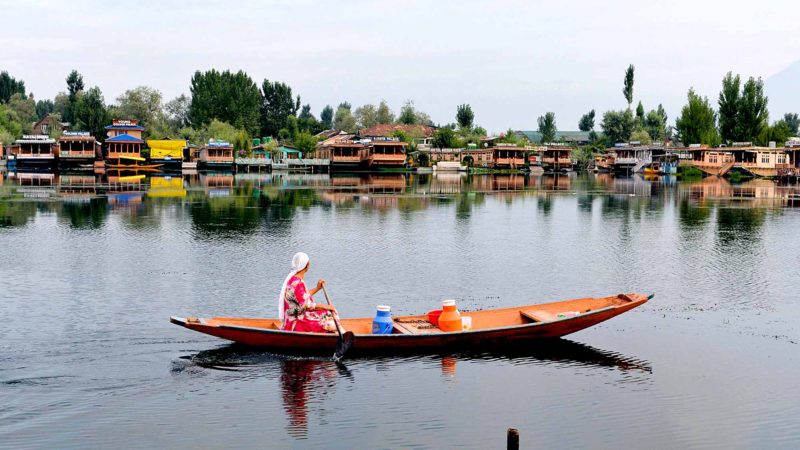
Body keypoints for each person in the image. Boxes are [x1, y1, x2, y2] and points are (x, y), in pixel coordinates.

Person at [278, 252, 338, 333]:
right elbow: (307, 305)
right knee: (331, 316)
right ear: (307, 265)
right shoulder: (298, 283)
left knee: (328, 313)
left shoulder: (293, 279)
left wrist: (317, 288)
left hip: (293, 318)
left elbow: (302, 297)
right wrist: (327, 306)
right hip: (297, 322)